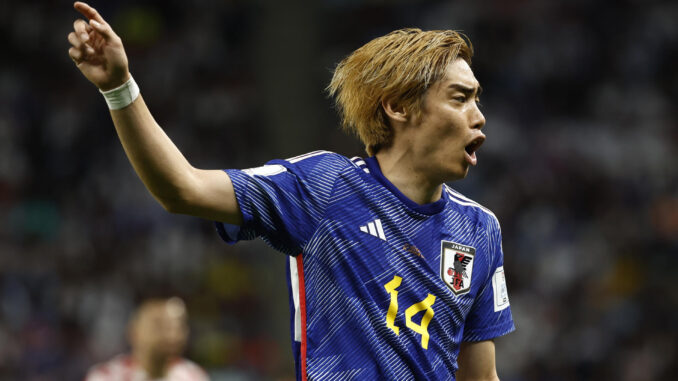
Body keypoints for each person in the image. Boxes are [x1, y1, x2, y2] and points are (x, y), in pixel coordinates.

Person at [68, 2, 515, 379]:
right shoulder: (324, 187)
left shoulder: (479, 229)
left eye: (477, 99)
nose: (479, 116)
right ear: (398, 107)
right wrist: (118, 88)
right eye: (460, 98)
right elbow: (181, 188)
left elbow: (480, 376)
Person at [84, 297, 209, 381]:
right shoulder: (106, 377)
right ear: (134, 332)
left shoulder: (194, 376)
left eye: (178, 326)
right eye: (159, 326)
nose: (172, 334)